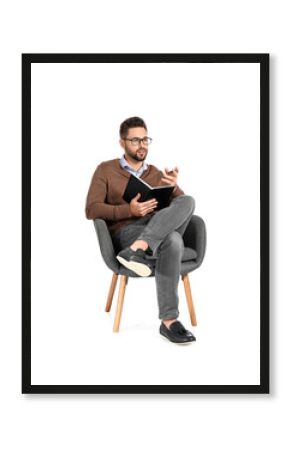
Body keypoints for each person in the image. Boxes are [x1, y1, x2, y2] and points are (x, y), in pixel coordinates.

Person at [86, 116, 196, 343]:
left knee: (188, 201)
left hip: (152, 232)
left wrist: (173, 187)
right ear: (122, 143)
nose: (142, 145)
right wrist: (130, 210)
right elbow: (91, 209)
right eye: (135, 140)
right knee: (174, 240)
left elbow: (180, 208)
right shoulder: (105, 170)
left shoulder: (156, 172)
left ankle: (140, 249)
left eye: (145, 139)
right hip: (126, 232)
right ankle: (169, 321)